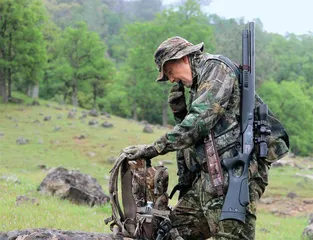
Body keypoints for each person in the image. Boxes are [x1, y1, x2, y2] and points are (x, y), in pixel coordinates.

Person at [122, 36, 289, 240]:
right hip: (208, 181)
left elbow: (198, 123)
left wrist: (154, 148)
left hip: (235, 176)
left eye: (169, 72)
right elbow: (196, 137)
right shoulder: (198, 84)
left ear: (183, 59)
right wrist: (180, 113)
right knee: (165, 233)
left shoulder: (216, 70)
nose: (172, 80)